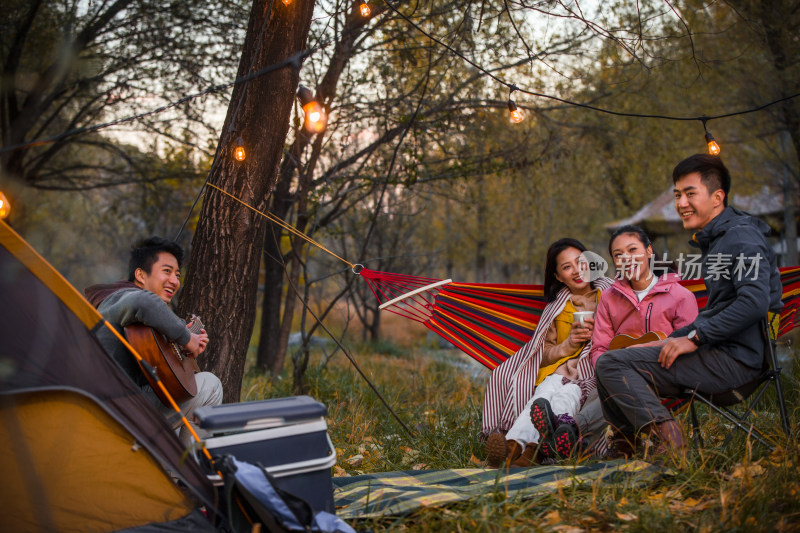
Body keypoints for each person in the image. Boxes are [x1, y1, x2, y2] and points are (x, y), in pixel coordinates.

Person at [595, 154, 783, 456]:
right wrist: (675, 338)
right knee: (616, 358)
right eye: (677, 195)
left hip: (738, 362)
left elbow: (754, 303)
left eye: (690, 193)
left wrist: (695, 338)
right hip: (722, 352)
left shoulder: (742, 239)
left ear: (717, 197)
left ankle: (670, 442)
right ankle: (626, 447)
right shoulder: (720, 241)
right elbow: (719, 309)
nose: (681, 203)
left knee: (611, 363)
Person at [483, 238, 613, 467]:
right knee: (541, 398)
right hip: (556, 372)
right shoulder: (557, 307)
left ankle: (533, 452)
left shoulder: (612, 295)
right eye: (567, 267)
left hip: (589, 374)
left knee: (566, 397)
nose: (577, 270)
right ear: (558, 276)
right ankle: (512, 448)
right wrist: (570, 345)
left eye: (581, 262)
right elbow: (542, 354)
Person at [85, 236, 223, 447]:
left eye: (177, 274)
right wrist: (187, 339)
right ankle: (191, 474)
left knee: (182, 397)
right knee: (211, 385)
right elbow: (143, 302)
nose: (175, 281)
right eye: (166, 271)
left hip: (122, 411)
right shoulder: (119, 296)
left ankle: (169, 473)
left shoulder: (131, 315)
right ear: (140, 274)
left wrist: (177, 345)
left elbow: (150, 360)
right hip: (119, 417)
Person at [590, 225, 698, 453]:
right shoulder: (609, 299)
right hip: (621, 373)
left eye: (632, 250)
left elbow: (690, 344)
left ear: (649, 251)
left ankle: (657, 437)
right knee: (603, 364)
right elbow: (599, 346)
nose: (626, 259)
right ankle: (625, 443)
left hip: (667, 369)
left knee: (610, 367)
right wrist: (605, 367)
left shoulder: (680, 295)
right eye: (618, 255)